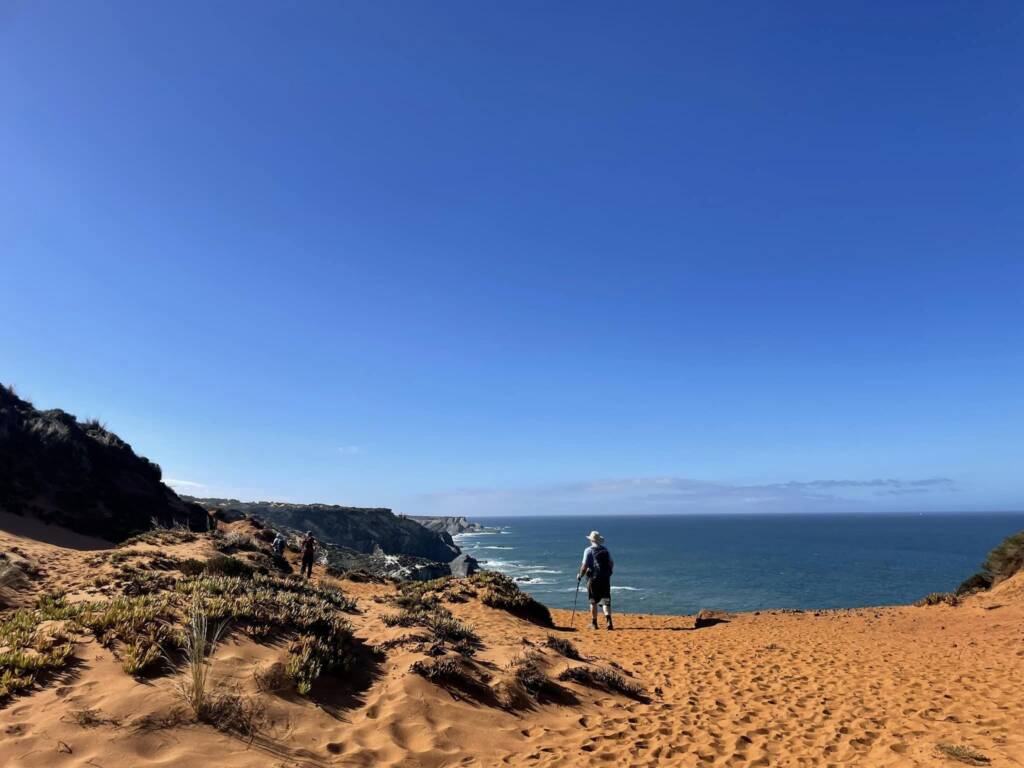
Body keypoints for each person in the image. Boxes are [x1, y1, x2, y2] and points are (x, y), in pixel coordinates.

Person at [578, 530, 614, 630]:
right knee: (606, 600)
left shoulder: (588, 550)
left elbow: (584, 566)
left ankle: (594, 623)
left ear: (591, 540)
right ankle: (609, 622)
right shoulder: (605, 550)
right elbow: (611, 563)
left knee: (593, 601)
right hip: (605, 579)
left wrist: (580, 575)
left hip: (593, 579)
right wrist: (609, 573)